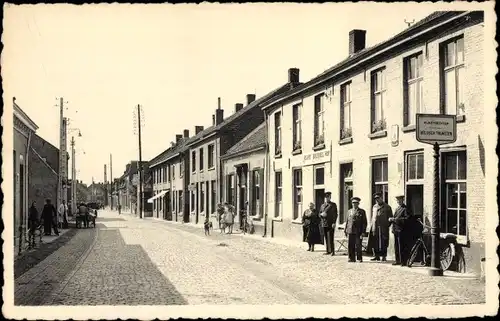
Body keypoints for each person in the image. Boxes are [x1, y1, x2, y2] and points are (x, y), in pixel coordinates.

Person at [368, 193, 393, 262]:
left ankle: (384, 256)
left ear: (382, 198)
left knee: (384, 242)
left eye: (378, 198)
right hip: (375, 227)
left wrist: (386, 225)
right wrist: (372, 225)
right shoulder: (374, 207)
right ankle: (376, 256)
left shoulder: (387, 207)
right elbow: (373, 217)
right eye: (376, 199)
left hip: (383, 227)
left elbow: (391, 217)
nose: (377, 200)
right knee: (375, 241)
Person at [389, 195, 412, 266]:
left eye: (400, 200)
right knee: (396, 246)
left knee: (402, 246)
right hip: (396, 229)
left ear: (403, 200)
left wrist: (395, 219)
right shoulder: (397, 208)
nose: (398, 201)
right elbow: (395, 217)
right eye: (397, 200)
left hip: (402, 230)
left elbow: (407, 219)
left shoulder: (405, 209)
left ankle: (403, 261)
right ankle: (397, 260)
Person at [345, 197, 367, 263]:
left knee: (358, 245)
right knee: (350, 245)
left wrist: (363, 232)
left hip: (358, 231)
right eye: (353, 203)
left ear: (358, 204)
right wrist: (345, 230)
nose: (354, 204)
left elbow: (364, 222)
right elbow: (347, 221)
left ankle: (359, 258)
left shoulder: (362, 211)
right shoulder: (349, 211)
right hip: (350, 230)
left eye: (356, 203)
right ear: (351, 203)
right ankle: (351, 258)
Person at [319, 192, 338, 256]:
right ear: (325, 198)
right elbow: (319, 214)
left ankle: (333, 251)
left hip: (331, 223)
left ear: (330, 197)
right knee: (326, 238)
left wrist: (334, 222)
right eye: (326, 197)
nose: (327, 198)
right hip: (324, 223)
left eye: (328, 197)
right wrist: (321, 215)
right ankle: (328, 250)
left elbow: (335, 214)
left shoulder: (333, 205)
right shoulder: (322, 205)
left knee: (331, 237)